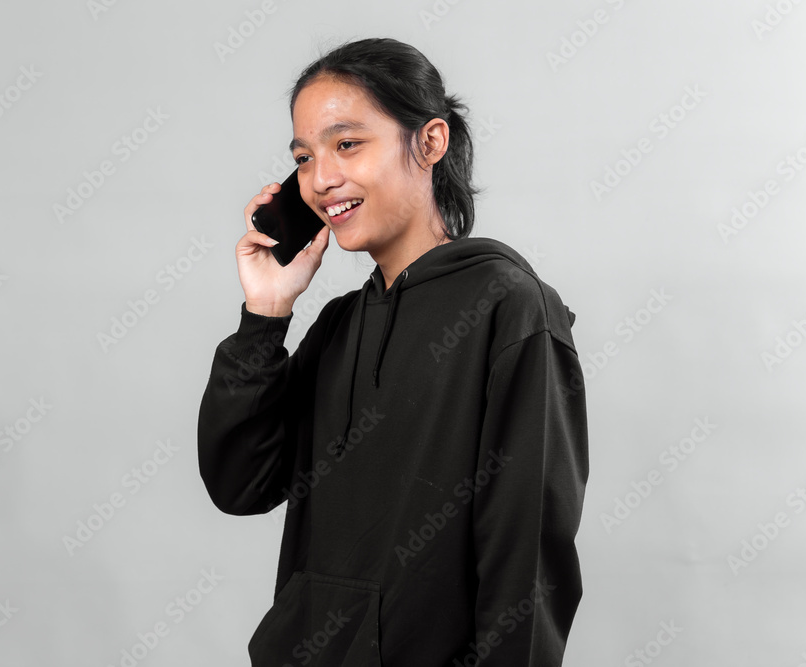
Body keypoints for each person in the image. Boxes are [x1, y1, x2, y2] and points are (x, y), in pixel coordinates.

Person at [198, 36, 589, 666]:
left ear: (429, 143)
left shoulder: (511, 308)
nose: (321, 179)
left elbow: (526, 560)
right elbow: (240, 484)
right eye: (304, 158)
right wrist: (264, 317)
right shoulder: (337, 325)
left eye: (347, 144)